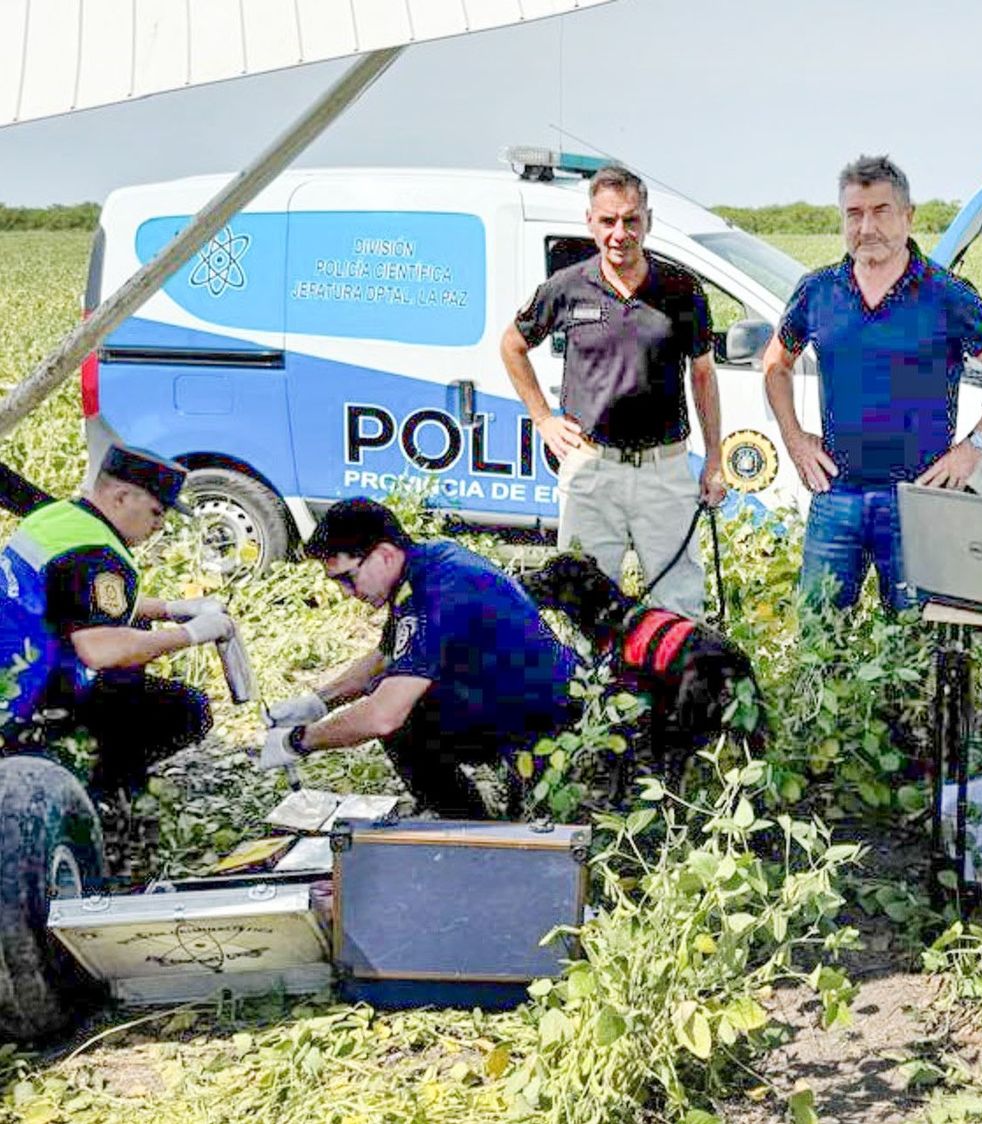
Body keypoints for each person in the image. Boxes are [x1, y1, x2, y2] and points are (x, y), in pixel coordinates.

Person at [761, 154, 982, 612]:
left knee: (913, 642)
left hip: (917, 501)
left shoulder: (946, 294)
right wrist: (793, 438)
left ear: (908, 217)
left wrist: (974, 447)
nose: (866, 226)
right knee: (820, 640)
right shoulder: (818, 291)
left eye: (880, 211)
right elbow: (776, 365)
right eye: (854, 214)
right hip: (836, 496)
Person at [258, 499, 579, 819]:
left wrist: (298, 742)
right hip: (510, 696)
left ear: (383, 555)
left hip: (546, 717)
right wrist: (317, 703)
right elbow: (386, 656)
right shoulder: (423, 566)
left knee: (398, 718)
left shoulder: (443, 591)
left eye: (347, 578)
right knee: (394, 697)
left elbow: (383, 716)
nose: (346, 593)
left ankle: (469, 829)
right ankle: (466, 821)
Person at [499, 163, 725, 618]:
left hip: (664, 471)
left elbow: (703, 375)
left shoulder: (681, 290)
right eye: (608, 221)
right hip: (591, 473)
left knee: (678, 606)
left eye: (630, 219)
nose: (619, 232)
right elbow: (512, 344)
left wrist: (715, 460)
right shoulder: (567, 287)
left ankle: (669, 689)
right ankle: (591, 691)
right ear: (590, 222)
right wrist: (543, 418)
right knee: (583, 608)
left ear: (648, 221)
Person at [0, 445, 231, 797]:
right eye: (157, 512)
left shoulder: (59, 519)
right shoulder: (99, 553)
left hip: (12, 664)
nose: (160, 526)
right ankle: (88, 790)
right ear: (123, 497)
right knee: (186, 710)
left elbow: (80, 600)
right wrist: (191, 633)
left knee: (136, 631)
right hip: (23, 701)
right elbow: (101, 650)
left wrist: (171, 608)